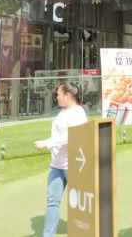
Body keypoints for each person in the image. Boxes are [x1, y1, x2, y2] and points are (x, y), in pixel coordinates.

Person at [34, 82, 88, 237]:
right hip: (56, 166)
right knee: (52, 202)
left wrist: (47, 142)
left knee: (80, 204)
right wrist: (48, 142)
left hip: (72, 166)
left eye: (58, 94)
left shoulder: (78, 113)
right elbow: (60, 135)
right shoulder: (63, 111)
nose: (56, 97)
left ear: (67, 95)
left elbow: (71, 136)